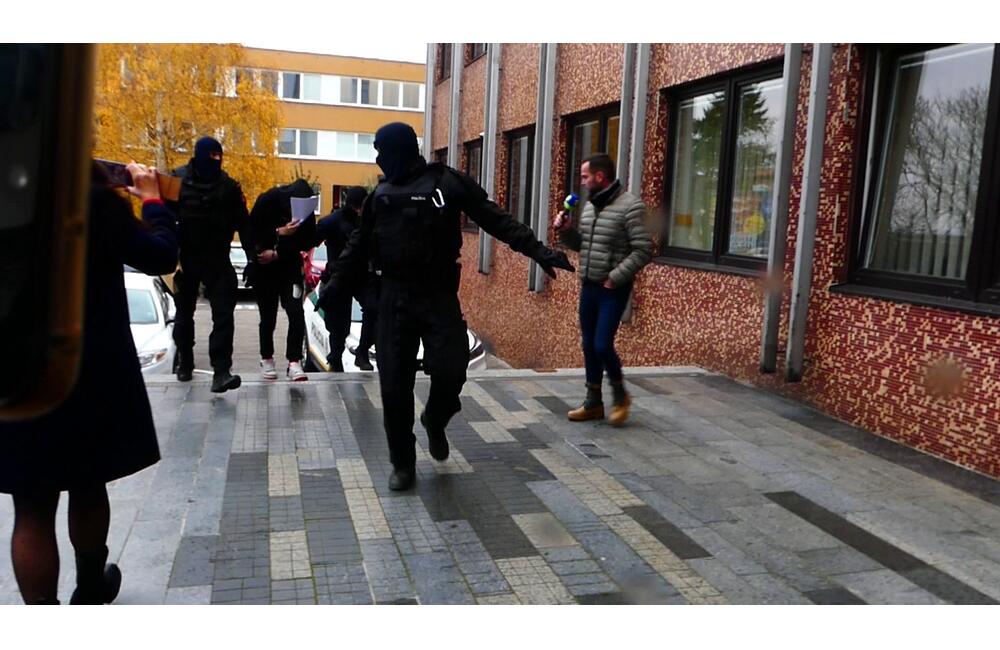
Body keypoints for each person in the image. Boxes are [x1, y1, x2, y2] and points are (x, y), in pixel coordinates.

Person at [327, 122, 574, 491]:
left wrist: (537, 250)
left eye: (381, 151)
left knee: (452, 369)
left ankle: (436, 419)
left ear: (399, 150)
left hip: (437, 295)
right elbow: (358, 245)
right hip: (393, 298)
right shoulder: (380, 196)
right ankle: (403, 464)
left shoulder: (445, 183)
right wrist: (334, 286)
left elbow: (495, 219)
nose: (378, 159)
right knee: (393, 386)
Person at [0, 162, 178, 604]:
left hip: (16, 370)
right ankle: (91, 586)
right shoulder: (89, 199)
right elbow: (160, 256)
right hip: (88, 369)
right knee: (88, 482)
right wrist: (153, 201)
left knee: (32, 506)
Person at [554, 153, 653, 426]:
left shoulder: (631, 207)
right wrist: (566, 231)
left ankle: (620, 396)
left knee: (601, 344)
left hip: (612, 289)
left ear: (600, 176)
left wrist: (615, 277)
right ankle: (593, 403)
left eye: (585, 176)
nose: (582, 182)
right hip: (589, 286)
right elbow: (583, 246)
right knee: (588, 345)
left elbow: (644, 249)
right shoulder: (589, 207)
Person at [168, 136, 252, 393]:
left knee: (224, 316)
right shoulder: (176, 181)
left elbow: (244, 225)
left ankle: (221, 371)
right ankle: (185, 360)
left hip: (217, 259)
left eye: (219, 156)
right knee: (183, 316)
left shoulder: (228, 187)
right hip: (187, 259)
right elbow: (163, 217)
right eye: (211, 155)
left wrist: (252, 258)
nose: (216, 160)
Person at [246, 178, 315, 381]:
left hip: (289, 266)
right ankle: (266, 358)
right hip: (264, 268)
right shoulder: (268, 201)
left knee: (295, 312)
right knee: (268, 316)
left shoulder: (306, 212)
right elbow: (250, 232)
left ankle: (294, 361)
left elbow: (308, 240)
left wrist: (279, 252)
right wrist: (279, 232)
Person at [314, 186, 378, 372]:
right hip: (339, 276)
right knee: (339, 324)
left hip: (360, 275)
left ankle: (362, 352)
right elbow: (312, 239)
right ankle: (336, 357)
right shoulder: (333, 222)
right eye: (356, 208)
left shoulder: (367, 221)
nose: (358, 211)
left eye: (361, 208)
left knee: (373, 308)